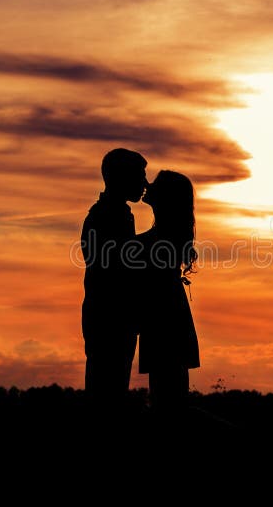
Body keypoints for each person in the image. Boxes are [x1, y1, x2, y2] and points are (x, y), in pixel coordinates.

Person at [80, 148, 148, 406]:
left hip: (113, 318)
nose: (144, 183)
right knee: (106, 395)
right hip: (109, 319)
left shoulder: (115, 214)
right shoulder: (105, 216)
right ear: (121, 177)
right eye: (139, 176)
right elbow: (115, 271)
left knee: (112, 392)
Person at [137, 170, 200, 410]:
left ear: (166, 197)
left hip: (165, 318)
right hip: (168, 315)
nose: (147, 185)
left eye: (155, 184)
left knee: (168, 400)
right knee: (168, 396)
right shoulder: (166, 236)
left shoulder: (162, 239)